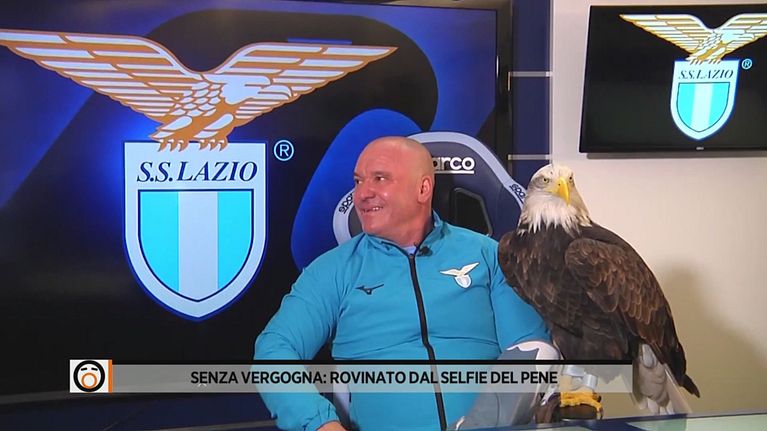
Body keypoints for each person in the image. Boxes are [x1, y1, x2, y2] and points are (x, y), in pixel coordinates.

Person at [255, 136, 549, 431]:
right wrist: (320, 423)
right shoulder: (333, 271)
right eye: (358, 181)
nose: (362, 194)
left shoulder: (489, 256)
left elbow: (530, 349)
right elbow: (274, 349)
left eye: (380, 178)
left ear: (423, 189)